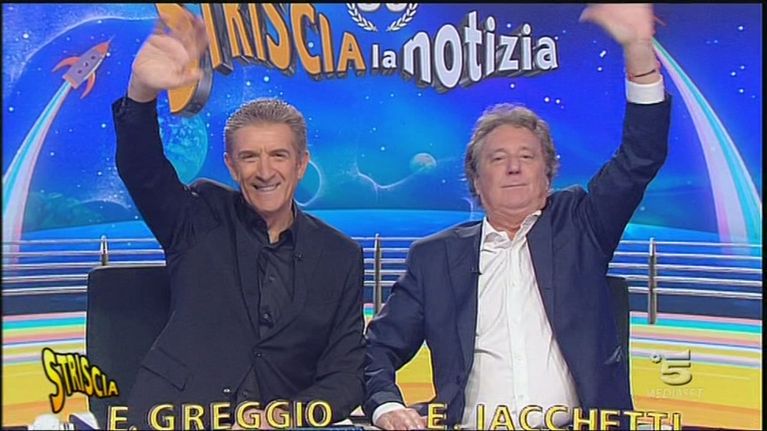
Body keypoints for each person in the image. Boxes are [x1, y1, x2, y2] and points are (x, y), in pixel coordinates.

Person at [363, 4, 670, 430]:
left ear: (548, 174)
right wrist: (386, 407)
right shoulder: (435, 259)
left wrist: (638, 51)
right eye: (498, 158)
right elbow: (376, 350)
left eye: (527, 157)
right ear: (476, 178)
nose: (513, 167)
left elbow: (640, 157)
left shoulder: (581, 225)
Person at [112, 8, 364, 429]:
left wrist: (282, 417)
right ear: (231, 165)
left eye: (278, 155)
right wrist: (141, 92)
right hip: (176, 418)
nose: (265, 171)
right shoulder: (198, 216)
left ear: (301, 164)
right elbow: (142, 169)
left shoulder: (340, 256)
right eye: (249, 157)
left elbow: (347, 373)